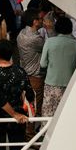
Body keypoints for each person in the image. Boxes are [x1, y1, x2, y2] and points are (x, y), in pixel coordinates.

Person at [41, 16, 76, 117]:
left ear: (57, 28)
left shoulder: (49, 42)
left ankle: (45, 132)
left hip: (51, 84)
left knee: (48, 114)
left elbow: (43, 64)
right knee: (66, 114)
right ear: (70, 28)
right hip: (70, 84)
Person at [17, 9, 46, 141]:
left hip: (25, 73)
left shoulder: (22, 33)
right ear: (34, 22)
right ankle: (29, 136)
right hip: (35, 76)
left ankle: (27, 133)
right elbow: (48, 47)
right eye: (40, 19)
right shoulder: (35, 39)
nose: (42, 21)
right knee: (33, 106)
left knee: (27, 105)